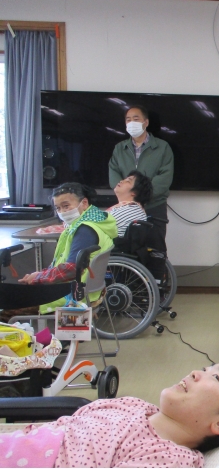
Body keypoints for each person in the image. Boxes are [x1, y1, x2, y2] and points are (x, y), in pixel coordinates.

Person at [0, 355, 219, 468]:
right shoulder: (135, 406)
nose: (197, 373)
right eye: (206, 368)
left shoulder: (168, 459)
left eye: (216, 378)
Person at [0, 183, 117, 323]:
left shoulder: (84, 231)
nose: (62, 212)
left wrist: (38, 278)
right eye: (58, 208)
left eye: (66, 206)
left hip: (69, 294)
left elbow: (70, 270)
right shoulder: (97, 223)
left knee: (5, 306)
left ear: (84, 203)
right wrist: (40, 274)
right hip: (87, 290)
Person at [108, 104, 174, 239]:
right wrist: (129, 197)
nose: (131, 122)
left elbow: (165, 177)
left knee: (155, 245)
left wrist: (140, 196)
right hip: (126, 209)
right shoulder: (119, 148)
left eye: (136, 119)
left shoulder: (162, 147)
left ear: (146, 122)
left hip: (154, 206)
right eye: (128, 120)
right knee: (126, 245)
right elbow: (114, 173)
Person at [108, 170, 153, 237]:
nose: (121, 181)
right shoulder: (134, 209)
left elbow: (97, 224)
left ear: (135, 192)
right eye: (124, 179)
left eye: (128, 181)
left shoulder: (128, 211)